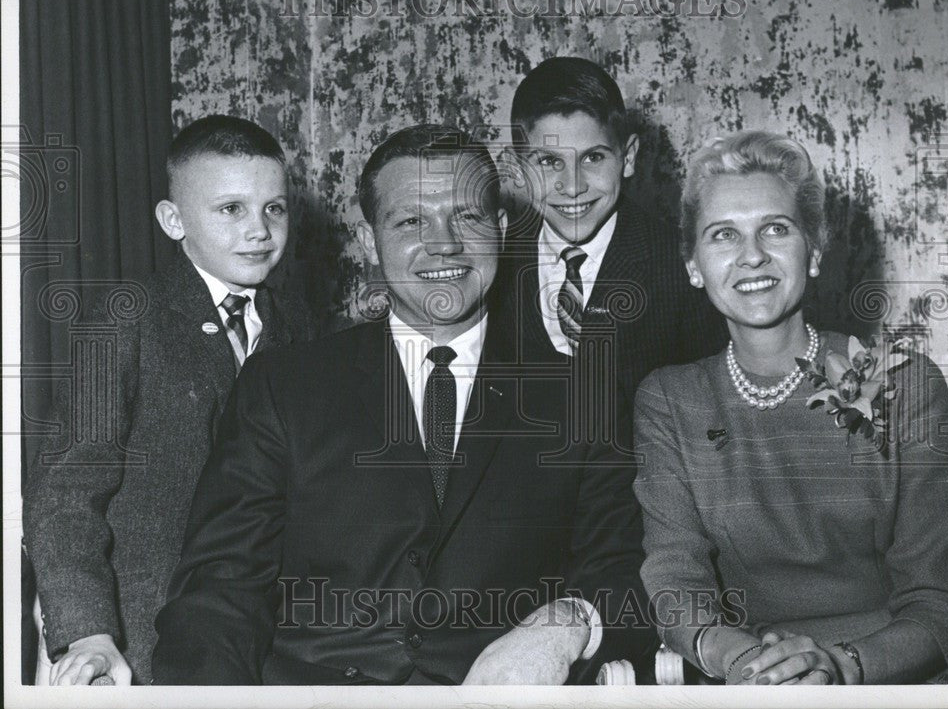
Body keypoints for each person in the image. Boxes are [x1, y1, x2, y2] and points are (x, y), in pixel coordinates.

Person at [151, 124, 654, 686]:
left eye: (466, 217)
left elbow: (626, 571)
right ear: (370, 242)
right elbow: (219, 591)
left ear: (503, 228)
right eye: (411, 221)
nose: (444, 243)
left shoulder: (579, 394)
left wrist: (561, 626)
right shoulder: (282, 386)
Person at [632, 130, 948, 685]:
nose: (752, 255)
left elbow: (944, 601)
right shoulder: (670, 400)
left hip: (891, 679)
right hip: (748, 680)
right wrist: (745, 663)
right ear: (693, 265)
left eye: (775, 228)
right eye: (723, 235)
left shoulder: (907, 384)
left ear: (812, 251)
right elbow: (676, 580)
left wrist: (841, 667)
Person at [23, 115, 317, 685]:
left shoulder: (299, 329)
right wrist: (88, 632)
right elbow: (64, 493)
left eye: (273, 209)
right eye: (231, 209)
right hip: (142, 638)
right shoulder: (128, 316)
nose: (258, 230)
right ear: (173, 220)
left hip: (265, 638)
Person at [493, 56, 728, 407]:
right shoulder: (492, 260)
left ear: (628, 157)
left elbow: (713, 405)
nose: (572, 187)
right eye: (547, 161)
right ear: (517, 168)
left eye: (593, 158)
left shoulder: (682, 263)